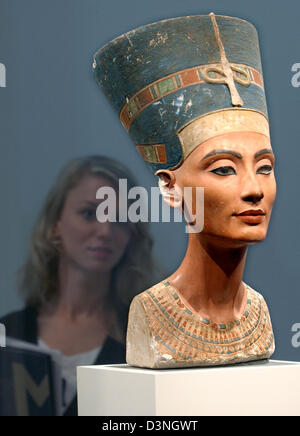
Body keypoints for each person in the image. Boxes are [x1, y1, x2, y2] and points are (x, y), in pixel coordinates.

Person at [93, 13, 276, 368]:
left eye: (265, 167)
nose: (254, 188)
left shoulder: (259, 312)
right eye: (224, 169)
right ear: (169, 188)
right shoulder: (151, 313)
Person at [1, 155, 159, 414]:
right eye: (89, 213)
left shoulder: (148, 339)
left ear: (132, 235)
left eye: (120, 219)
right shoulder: (9, 333)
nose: (105, 231)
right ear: (55, 225)